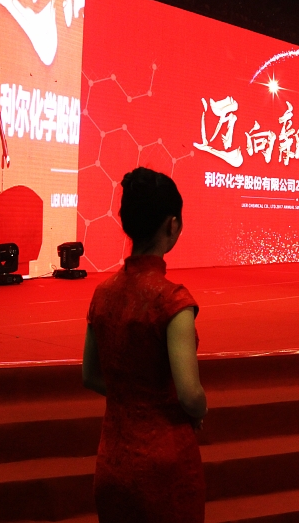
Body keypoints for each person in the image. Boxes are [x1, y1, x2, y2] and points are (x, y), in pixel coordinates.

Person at [83, 168, 207, 523]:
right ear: (172, 225)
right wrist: (199, 412)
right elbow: (190, 395)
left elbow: (90, 375)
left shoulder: (102, 294)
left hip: (113, 460)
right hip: (165, 464)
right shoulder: (173, 302)